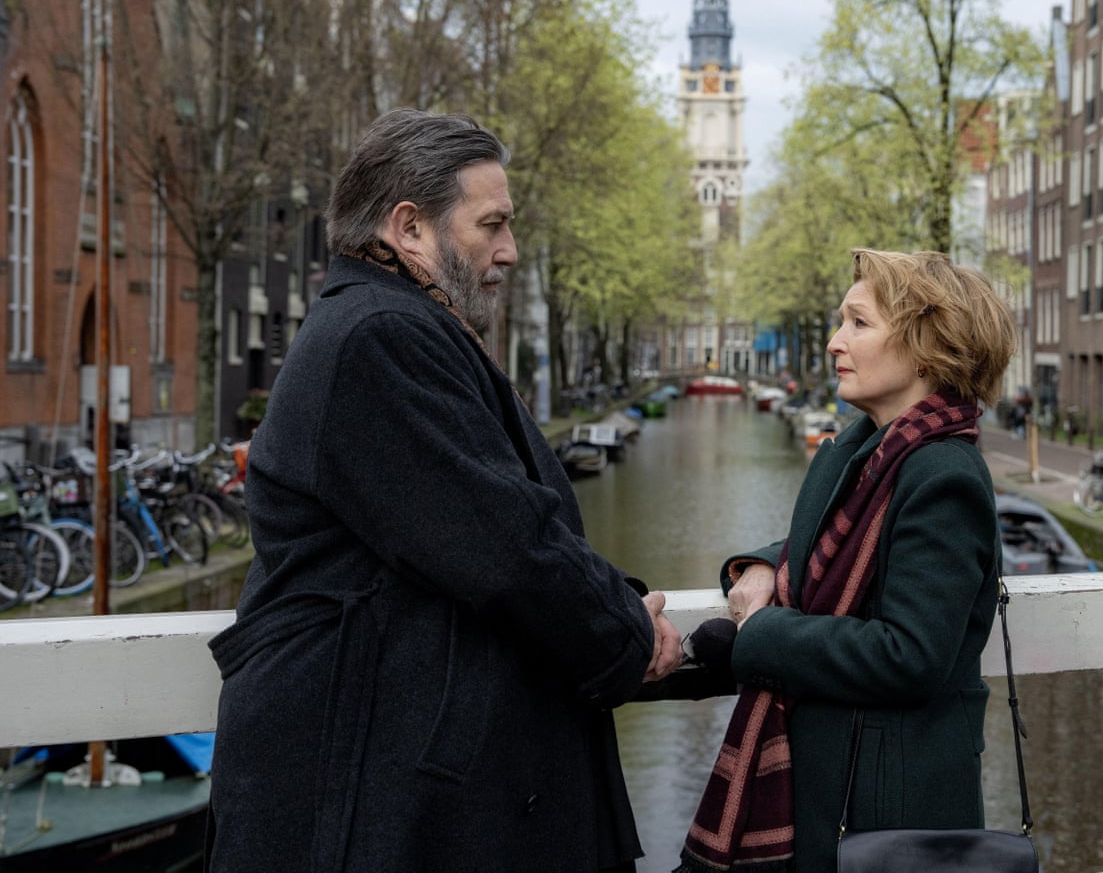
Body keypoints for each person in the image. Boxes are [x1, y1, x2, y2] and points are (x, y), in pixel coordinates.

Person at [205, 108, 681, 873]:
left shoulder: (388, 325)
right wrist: (625, 634)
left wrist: (616, 607)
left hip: (394, 792)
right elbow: (505, 545)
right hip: (376, 809)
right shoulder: (379, 338)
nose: (509, 249)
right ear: (410, 228)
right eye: (491, 224)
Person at [675, 248, 1018, 873]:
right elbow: (837, 543)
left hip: (888, 813)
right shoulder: (873, 451)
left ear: (926, 348)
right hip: (844, 792)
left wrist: (761, 634)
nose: (835, 341)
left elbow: (909, 655)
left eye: (859, 323)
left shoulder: (943, 476)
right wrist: (764, 565)